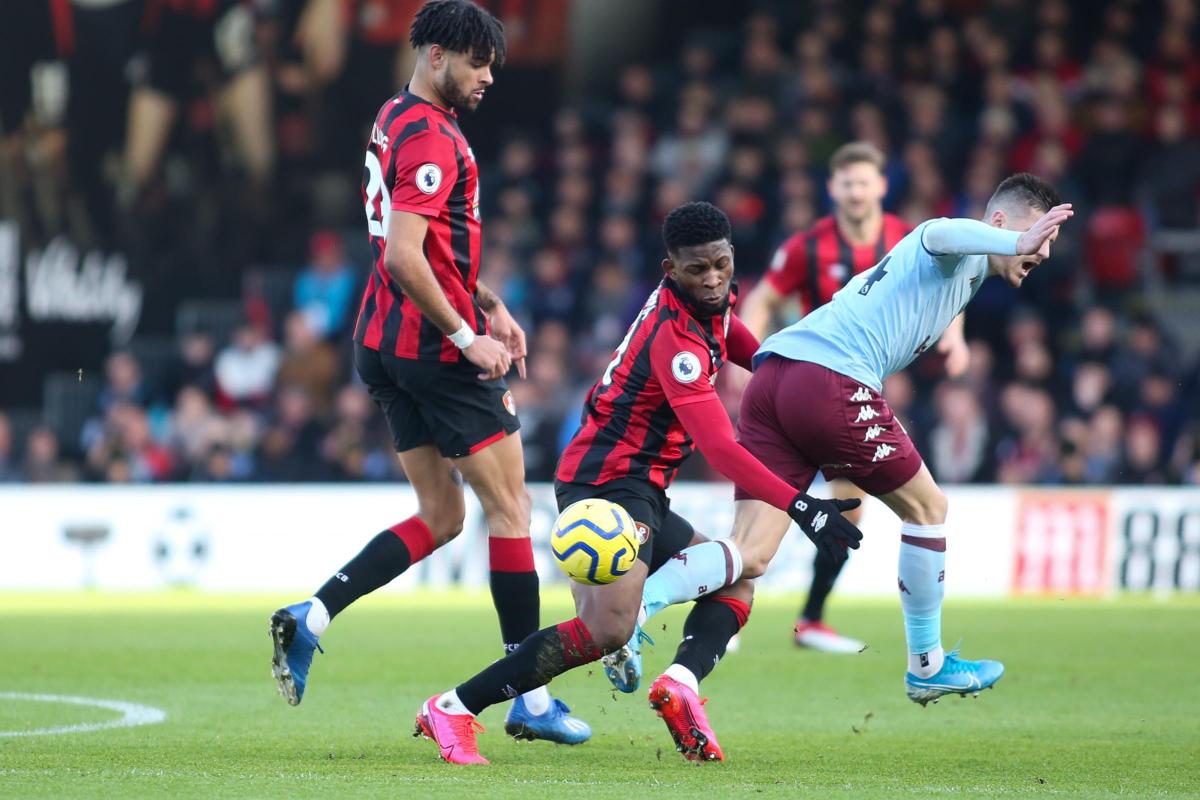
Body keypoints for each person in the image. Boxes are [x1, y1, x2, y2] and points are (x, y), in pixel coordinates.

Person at [634, 174, 1072, 760]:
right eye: (1034, 237)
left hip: (775, 377)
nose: (1041, 252)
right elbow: (938, 232)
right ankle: (927, 664)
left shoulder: (968, 272)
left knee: (751, 553)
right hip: (829, 380)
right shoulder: (951, 242)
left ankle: (636, 613)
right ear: (997, 226)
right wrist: (1015, 245)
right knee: (928, 508)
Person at [414, 201, 863, 765]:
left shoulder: (713, 307)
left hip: (642, 486)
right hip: (607, 484)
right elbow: (723, 447)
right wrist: (802, 505)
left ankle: (680, 684)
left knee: (739, 577)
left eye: (721, 263)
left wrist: (831, 389)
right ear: (670, 271)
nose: (714, 277)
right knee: (607, 629)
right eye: (698, 269)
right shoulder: (676, 338)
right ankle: (452, 708)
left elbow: (772, 362)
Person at [268, 0, 589, 746]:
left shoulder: (394, 117)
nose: (487, 79)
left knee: (444, 516)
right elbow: (403, 255)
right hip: (433, 350)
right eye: (478, 63)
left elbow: (429, 247)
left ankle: (311, 615)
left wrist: (490, 301)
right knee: (512, 512)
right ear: (438, 56)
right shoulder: (435, 142)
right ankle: (529, 695)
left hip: (382, 343)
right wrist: (467, 335)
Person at [738, 141, 927, 653]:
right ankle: (725, 611)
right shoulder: (808, 246)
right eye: (847, 183)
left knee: (850, 507)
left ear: (882, 187)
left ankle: (811, 621)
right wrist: (748, 361)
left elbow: (942, 288)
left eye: (865, 181)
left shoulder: (904, 241)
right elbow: (762, 298)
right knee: (764, 506)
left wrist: (951, 338)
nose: (856, 191)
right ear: (833, 190)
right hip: (804, 387)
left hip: (854, 391)